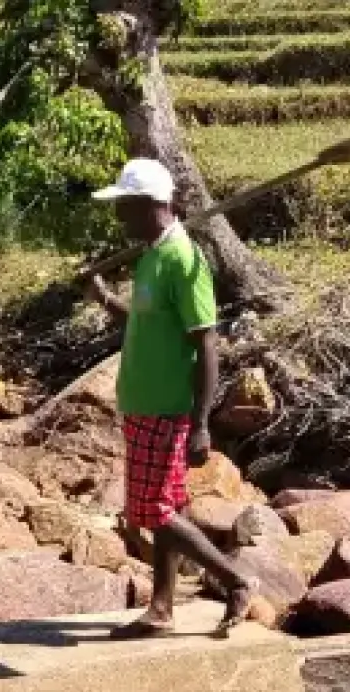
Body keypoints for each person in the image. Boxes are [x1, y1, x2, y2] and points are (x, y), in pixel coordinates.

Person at [85, 158, 258, 639]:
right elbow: (141, 322)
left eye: (124, 206)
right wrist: (101, 298)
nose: (118, 217)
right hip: (140, 404)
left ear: (148, 206)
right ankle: (162, 606)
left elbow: (206, 341)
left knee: (153, 513)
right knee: (169, 509)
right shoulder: (151, 256)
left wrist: (202, 421)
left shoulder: (184, 259)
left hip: (167, 407)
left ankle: (236, 579)